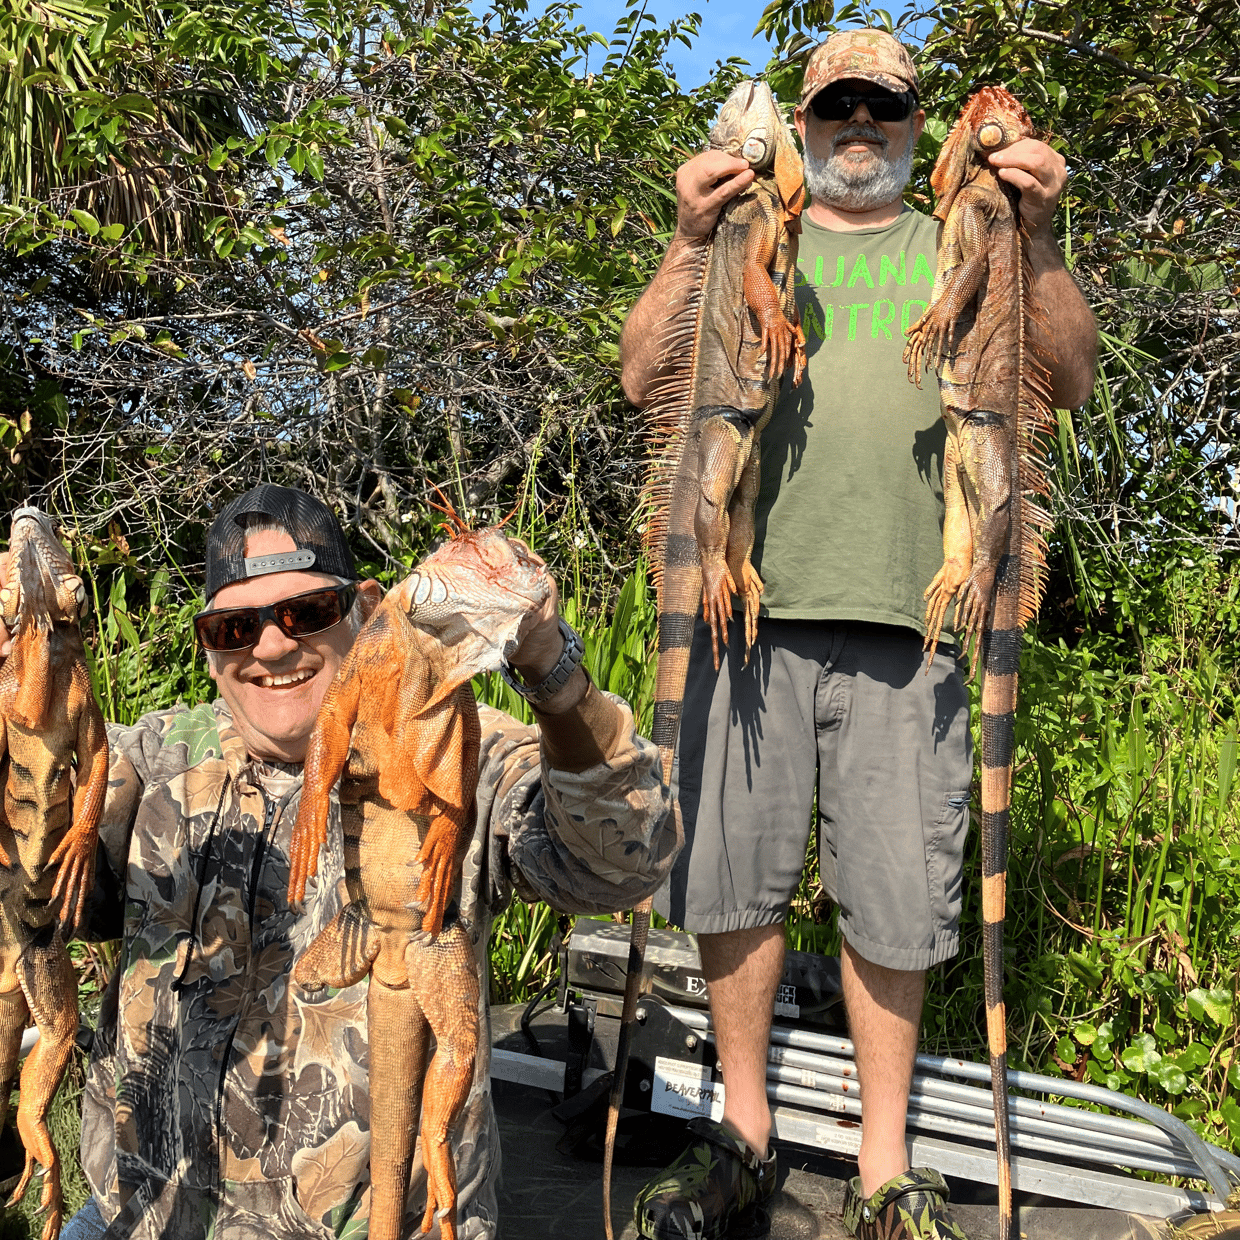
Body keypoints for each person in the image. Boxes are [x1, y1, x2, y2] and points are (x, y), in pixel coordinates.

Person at [619, 29, 1097, 1240]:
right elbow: (640, 379)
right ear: (806, 123)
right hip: (743, 611)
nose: (855, 126)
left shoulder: (967, 237)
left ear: (912, 126)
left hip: (919, 619)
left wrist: (1037, 235)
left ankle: (885, 1168)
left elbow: (1072, 377)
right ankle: (742, 1132)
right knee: (728, 882)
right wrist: (687, 241)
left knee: (895, 898)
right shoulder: (742, 231)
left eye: (882, 107)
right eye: (834, 104)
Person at [0, 483, 676, 1240]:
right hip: (137, 1216)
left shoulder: (460, 741)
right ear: (207, 645)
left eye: (307, 613)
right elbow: (41, 895)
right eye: (234, 626)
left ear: (363, 605)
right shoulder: (151, 760)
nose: (273, 646)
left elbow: (626, 862)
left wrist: (552, 670)